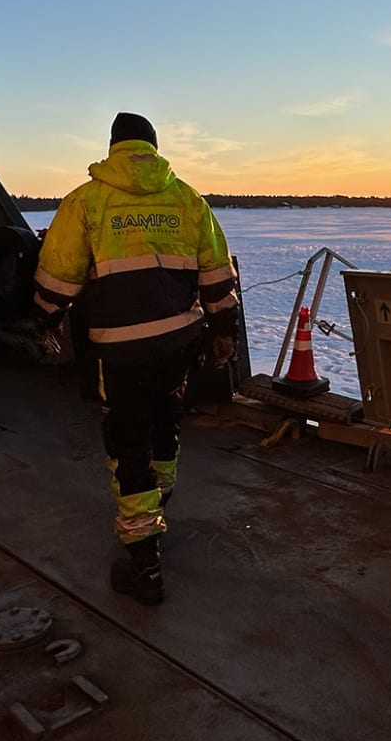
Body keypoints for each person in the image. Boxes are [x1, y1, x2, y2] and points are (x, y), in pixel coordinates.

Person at [32, 112, 240, 605]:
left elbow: (57, 277)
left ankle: (145, 562)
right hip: (178, 343)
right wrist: (224, 331)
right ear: (152, 148)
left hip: (119, 349)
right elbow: (215, 271)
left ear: (114, 148)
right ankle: (159, 505)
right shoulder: (187, 199)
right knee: (165, 423)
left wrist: (43, 321)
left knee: (127, 443)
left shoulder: (86, 203)